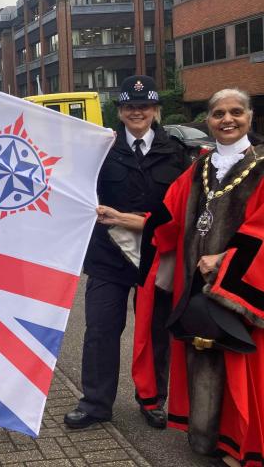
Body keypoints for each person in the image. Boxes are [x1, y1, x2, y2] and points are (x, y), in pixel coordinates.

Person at [140, 89, 264, 467]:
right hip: (195, 286)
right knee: (202, 354)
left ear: (250, 116)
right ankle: (210, 436)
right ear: (208, 120)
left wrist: (225, 260)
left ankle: (242, 444)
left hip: (237, 288)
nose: (227, 119)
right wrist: (122, 222)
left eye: (236, 112)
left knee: (242, 364)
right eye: (218, 113)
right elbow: (168, 217)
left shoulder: (262, 165)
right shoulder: (200, 167)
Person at [64, 75, 190, 430]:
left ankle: (153, 401)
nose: (137, 112)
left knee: (156, 334)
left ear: (155, 110)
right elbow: (77, 192)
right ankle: (95, 403)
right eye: (130, 107)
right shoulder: (100, 149)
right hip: (107, 256)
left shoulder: (176, 152)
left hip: (157, 257)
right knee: (101, 331)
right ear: (119, 111)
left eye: (144, 106)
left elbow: (182, 207)